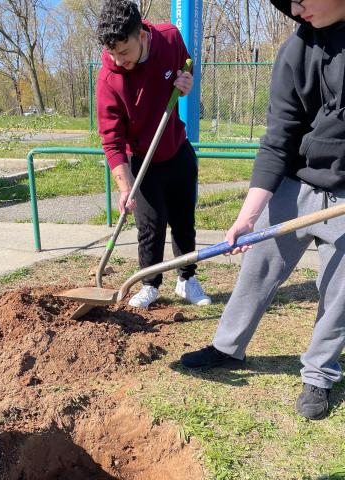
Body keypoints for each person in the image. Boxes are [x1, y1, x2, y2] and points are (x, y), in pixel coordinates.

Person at [180, 0, 345, 420]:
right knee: (259, 266)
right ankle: (227, 347)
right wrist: (247, 216)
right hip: (298, 184)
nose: (295, 7)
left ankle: (319, 375)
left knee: (339, 292)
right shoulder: (297, 50)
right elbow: (278, 138)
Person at [96, 0, 211, 309]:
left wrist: (185, 83)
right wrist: (124, 185)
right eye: (112, 54)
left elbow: (186, 65)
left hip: (176, 148)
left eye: (124, 52)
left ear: (141, 34)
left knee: (184, 221)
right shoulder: (109, 80)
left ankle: (187, 280)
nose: (118, 60)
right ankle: (149, 285)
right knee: (151, 226)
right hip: (142, 159)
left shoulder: (170, 38)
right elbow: (111, 140)